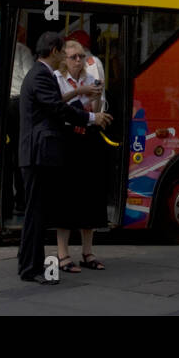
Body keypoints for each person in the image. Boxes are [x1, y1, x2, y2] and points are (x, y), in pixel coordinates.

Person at [17, 31, 112, 283]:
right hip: (38, 153)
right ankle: (32, 268)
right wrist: (91, 117)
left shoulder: (41, 74)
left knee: (35, 214)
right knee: (35, 215)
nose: (69, 58)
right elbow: (57, 109)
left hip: (38, 152)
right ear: (54, 51)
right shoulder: (41, 76)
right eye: (64, 52)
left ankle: (29, 265)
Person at [52, 39, 109, 273]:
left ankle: (88, 251)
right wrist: (79, 92)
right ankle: (63, 253)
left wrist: (95, 94)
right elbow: (54, 104)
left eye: (81, 56)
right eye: (73, 56)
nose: (78, 60)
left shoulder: (90, 78)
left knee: (91, 196)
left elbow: (96, 111)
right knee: (66, 197)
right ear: (64, 59)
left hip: (88, 138)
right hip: (67, 139)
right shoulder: (56, 78)